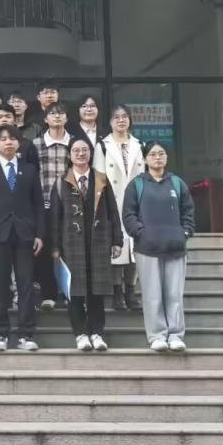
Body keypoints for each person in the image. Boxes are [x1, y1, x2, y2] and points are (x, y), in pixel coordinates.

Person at [49, 138, 124, 352]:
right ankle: (80, 333)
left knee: (96, 290)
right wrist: (55, 247)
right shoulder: (61, 182)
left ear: (90, 154)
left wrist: (117, 240)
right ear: (69, 155)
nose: (80, 154)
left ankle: (97, 332)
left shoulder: (101, 179)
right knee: (74, 291)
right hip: (71, 244)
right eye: (76, 150)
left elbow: (113, 212)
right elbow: (54, 218)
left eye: (84, 150)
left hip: (98, 242)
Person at [121, 141, 195, 353]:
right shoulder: (136, 185)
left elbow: (188, 212)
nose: (157, 158)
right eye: (152, 154)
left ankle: (176, 335)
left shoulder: (177, 183)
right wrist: (141, 233)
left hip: (175, 247)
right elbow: (129, 215)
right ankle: (157, 335)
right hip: (147, 249)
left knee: (174, 294)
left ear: (166, 157)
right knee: (152, 295)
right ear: (145, 159)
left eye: (161, 153)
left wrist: (185, 233)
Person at [0, 125, 45, 352]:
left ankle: (26, 334)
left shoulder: (29, 169)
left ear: (19, 143)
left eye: (13, 139)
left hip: (25, 234)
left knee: (25, 285)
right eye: (3, 139)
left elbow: (38, 205)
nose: (8, 142)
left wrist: (39, 234)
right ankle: (0, 333)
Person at [94, 105, 145, 310]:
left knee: (134, 247)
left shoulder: (139, 144)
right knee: (116, 247)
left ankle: (130, 291)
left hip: (136, 202)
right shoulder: (102, 146)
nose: (121, 120)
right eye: (116, 117)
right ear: (110, 122)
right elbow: (98, 178)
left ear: (130, 120)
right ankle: (117, 292)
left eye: (124, 117)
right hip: (112, 201)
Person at [32, 103, 73, 310]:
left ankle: (70, 292)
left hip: (70, 204)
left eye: (61, 113)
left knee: (70, 248)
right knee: (46, 249)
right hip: (44, 204)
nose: (57, 117)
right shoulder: (35, 144)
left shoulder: (75, 143)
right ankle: (48, 294)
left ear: (67, 118)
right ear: (45, 119)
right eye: (52, 114)